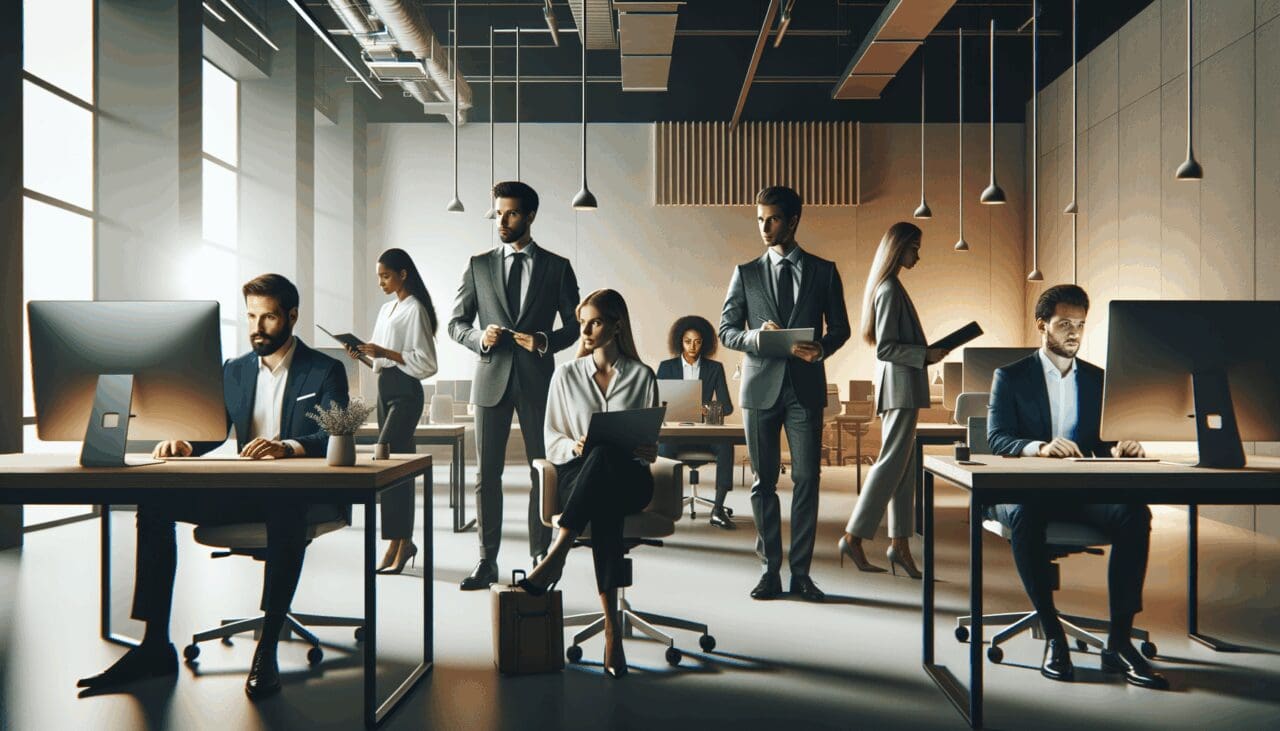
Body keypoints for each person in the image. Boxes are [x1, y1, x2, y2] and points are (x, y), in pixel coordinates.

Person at [77, 274, 349, 700]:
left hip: (301, 494)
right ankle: (154, 646)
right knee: (154, 501)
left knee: (286, 506)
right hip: (243, 491)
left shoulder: (325, 370)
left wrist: (287, 447)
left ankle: (268, 646)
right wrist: (187, 442)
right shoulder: (235, 370)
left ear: (292, 317)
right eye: (251, 317)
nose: (257, 327)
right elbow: (213, 429)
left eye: (269, 317)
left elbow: (336, 435)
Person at [987, 284, 1167, 689]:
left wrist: (1122, 446)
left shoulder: (1097, 379)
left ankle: (1119, 642)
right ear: (1042, 326)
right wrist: (1039, 448)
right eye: (1064, 324)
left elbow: (1103, 441)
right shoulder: (1011, 377)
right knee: (1026, 516)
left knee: (1134, 513)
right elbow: (997, 439)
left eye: (1081, 325)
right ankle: (1054, 637)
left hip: (1079, 491)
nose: (1074, 332)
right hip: (1025, 492)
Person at [517, 289, 659, 678]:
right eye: (582, 323)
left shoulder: (642, 375)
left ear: (616, 324)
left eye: (595, 322)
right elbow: (552, 439)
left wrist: (647, 450)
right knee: (600, 471)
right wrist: (574, 444)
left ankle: (557, 552)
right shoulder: (565, 375)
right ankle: (613, 633)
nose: (586, 330)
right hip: (578, 473)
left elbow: (649, 445)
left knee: (608, 459)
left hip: (632, 477)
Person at [719, 185, 851, 602]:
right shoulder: (746, 273)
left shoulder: (824, 271)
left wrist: (822, 349)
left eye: (772, 219)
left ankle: (802, 574)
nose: (764, 227)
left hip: (805, 389)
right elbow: (726, 330)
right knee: (762, 483)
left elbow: (841, 329)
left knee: (808, 479)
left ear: (793, 220)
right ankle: (768, 572)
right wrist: (756, 337)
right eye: (760, 219)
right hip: (759, 389)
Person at [448, 181, 581, 590]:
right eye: (498, 213)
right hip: (490, 381)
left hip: (539, 381)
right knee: (487, 475)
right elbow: (456, 324)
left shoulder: (557, 267)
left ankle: (541, 555)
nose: (502, 221)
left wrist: (544, 342)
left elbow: (575, 327)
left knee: (545, 471)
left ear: (530, 216)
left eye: (511, 214)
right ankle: (487, 560)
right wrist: (478, 339)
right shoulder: (479, 265)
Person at [839, 222, 946, 578]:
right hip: (898, 386)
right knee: (890, 463)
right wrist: (925, 355)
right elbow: (886, 348)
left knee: (904, 467)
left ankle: (899, 544)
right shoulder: (888, 289)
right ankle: (854, 535)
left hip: (902, 387)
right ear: (898, 248)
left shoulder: (891, 286)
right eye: (914, 247)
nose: (918, 254)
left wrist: (924, 354)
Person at [347, 248, 438, 575]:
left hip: (406, 393)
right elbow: (380, 362)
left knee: (389, 462)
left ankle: (400, 541)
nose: (381, 282)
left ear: (403, 274)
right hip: (386, 389)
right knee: (396, 466)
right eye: (379, 277)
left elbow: (427, 361)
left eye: (386, 275)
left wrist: (384, 351)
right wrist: (362, 354)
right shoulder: (388, 310)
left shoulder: (415, 310)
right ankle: (399, 541)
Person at [656, 315, 736, 528]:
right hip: (677, 434)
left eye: (698, 341)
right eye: (687, 341)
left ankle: (718, 509)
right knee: (662, 447)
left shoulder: (714, 368)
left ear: (705, 343)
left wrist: (708, 409)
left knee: (726, 445)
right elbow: (655, 403)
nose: (692, 346)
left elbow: (727, 407)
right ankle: (664, 507)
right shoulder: (666, 367)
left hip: (704, 433)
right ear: (679, 342)